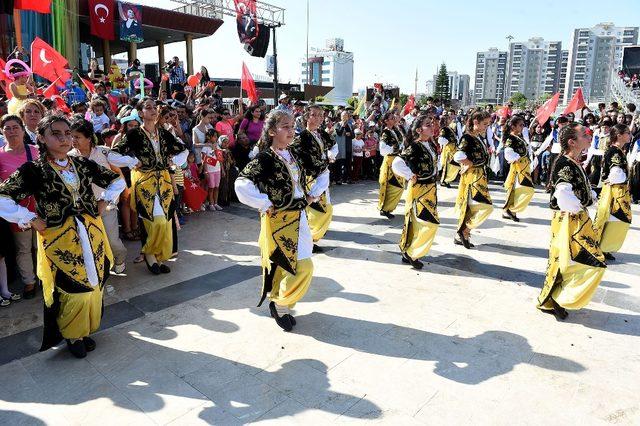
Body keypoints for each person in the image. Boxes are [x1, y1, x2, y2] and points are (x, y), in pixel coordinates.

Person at [0, 115, 125, 358]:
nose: (64, 138)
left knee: (94, 284)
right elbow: (3, 197)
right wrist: (30, 217)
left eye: (67, 133)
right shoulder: (34, 170)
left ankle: (85, 329)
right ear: (42, 139)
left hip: (92, 234)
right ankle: (72, 334)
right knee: (72, 288)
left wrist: (104, 200)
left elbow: (115, 180)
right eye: (56, 133)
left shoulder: (81, 163)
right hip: (60, 239)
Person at [235, 110, 317, 331]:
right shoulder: (265, 157)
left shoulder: (292, 154)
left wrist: (310, 194)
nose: (291, 131)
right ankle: (280, 303)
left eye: (292, 126)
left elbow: (302, 179)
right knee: (300, 265)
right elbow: (241, 183)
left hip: (299, 216)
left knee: (293, 264)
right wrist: (264, 202)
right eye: (286, 127)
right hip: (278, 221)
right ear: (272, 131)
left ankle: (282, 303)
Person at [108, 97, 188, 275]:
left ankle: (157, 257)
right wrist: (131, 161)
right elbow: (112, 155)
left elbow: (183, 149)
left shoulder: (164, 133)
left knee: (165, 222)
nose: (153, 110)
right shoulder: (134, 134)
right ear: (140, 113)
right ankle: (150, 255)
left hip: (165, 182)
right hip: (145, 183)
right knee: (154, 221)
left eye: (154, 107)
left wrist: (174, 160)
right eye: (148, 107)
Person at [538, 123, 606, 320]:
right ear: (572, 142)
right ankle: (557, 298)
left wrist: (590, 197)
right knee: (587, 261)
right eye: (584, 134)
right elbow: (562, 194)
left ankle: (555, 298)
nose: (588, 136)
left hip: (577, 218)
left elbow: (579, 188)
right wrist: (577, 208)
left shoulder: (573, 162)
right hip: (570, 218)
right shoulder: (565, 163)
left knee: (574, 260)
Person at [69, 118, 127, 274]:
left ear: (88, 138)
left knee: (112, 239)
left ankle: (120, 258)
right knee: (90, 241)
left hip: (106, 204)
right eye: (71, 136)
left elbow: (118, 174)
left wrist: (119, 194)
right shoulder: (68, 157)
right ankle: (100, 268)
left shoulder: (104, 152)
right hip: (83, 208)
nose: (73, 140)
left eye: (77, 137)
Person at [391, 115, 439, 270]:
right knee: (428, 222)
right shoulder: (415, 146)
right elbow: (397, 163)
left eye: (431, 124)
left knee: (420, 222)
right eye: (427, 125)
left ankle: (408, 251)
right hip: (419, 190)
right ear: (419, 130)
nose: (431, 126)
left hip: (430, 189)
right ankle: (412, 252)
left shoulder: (430, 145)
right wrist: (409, 175)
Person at [0, 115, 39, 299]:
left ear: (23, 130)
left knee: (40, 245)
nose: (12, 131)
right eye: (7, 128)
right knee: (23, 248)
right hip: (15, 212)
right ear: (2, 131)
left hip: (39, 207)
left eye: (15, 127)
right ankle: (29, 282)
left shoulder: (35, 151)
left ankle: (45, 278)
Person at [290, 104, 334, 252]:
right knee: (318, 209)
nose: (319, 118)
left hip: (322, 174)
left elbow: (332, 146)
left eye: (321, 115)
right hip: (312, 177)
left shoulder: (321, 133)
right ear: (307, 117)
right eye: (315, 114)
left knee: (323, 209)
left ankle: (310, 238)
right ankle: (309, 239)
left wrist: (330, 155)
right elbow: (295, 154)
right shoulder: (302, 137)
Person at [453, 109, 494, 249]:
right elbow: (457, 155)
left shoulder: (478, 137)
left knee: (471, 208)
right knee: (485, 207)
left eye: (488, 124)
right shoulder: (468, 137)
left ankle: (461, 234)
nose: (486, 127)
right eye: (485, 124)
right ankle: (465, 230)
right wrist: (468, 163)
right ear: (475, 122)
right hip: (473, 177)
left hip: (479, 175)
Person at [592, 124, 632, 261]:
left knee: (614, 219)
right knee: (613, 218)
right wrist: (623, 179)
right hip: (615, 191)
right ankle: (601, 248)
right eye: (627, 132)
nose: (629, 134)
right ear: (619, 135)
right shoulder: (615, 152)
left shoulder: (617, 150)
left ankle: (605, 247)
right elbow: (616, 173)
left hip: (617, 189)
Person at [502, 116, 535, 222]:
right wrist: (517, 157)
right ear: (513, 126)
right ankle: (511, 210)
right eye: (520, 125)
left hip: (524, 167)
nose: (522, 127)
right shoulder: (511, 138)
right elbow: (508, 153)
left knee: (517, 190)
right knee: (526, 189)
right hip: (518, 168)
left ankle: (509, 210)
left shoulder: (518, 137)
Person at [378, 111, 405, 218]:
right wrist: (394, 148)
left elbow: (402, 142)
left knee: (399, 186)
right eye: (392, 118)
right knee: (391, 185)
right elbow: (382, 150)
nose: (394, 119)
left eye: (394, 117)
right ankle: (384, 208)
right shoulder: (386, 133)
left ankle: (387, 208)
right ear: (386, 121)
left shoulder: (395, 130)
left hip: (397, 159)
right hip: (390, 161)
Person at [201, 132, 224, 211]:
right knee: (211, 187)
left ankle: (216, 203)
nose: (216, 138)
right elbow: (203, 160)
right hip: (210, 171)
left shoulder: (217, 146)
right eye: (214, 136)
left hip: (217, 170)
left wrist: (222, 169)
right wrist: (206, 171)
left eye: (216, 136)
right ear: (208, 137)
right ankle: (211, 203)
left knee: (217, 187)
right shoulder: (205, 147)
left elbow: (220, 158)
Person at [438, 113, 460, 188]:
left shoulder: (449, 128)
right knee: (447, 166)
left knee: (454, 165)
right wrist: (448, 142)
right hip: (449, 150)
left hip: (453, 149)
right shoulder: (444, 129)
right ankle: (443, 180)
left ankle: (447, 179)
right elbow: (440, 139)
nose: (450, 119)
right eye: (448, 118)